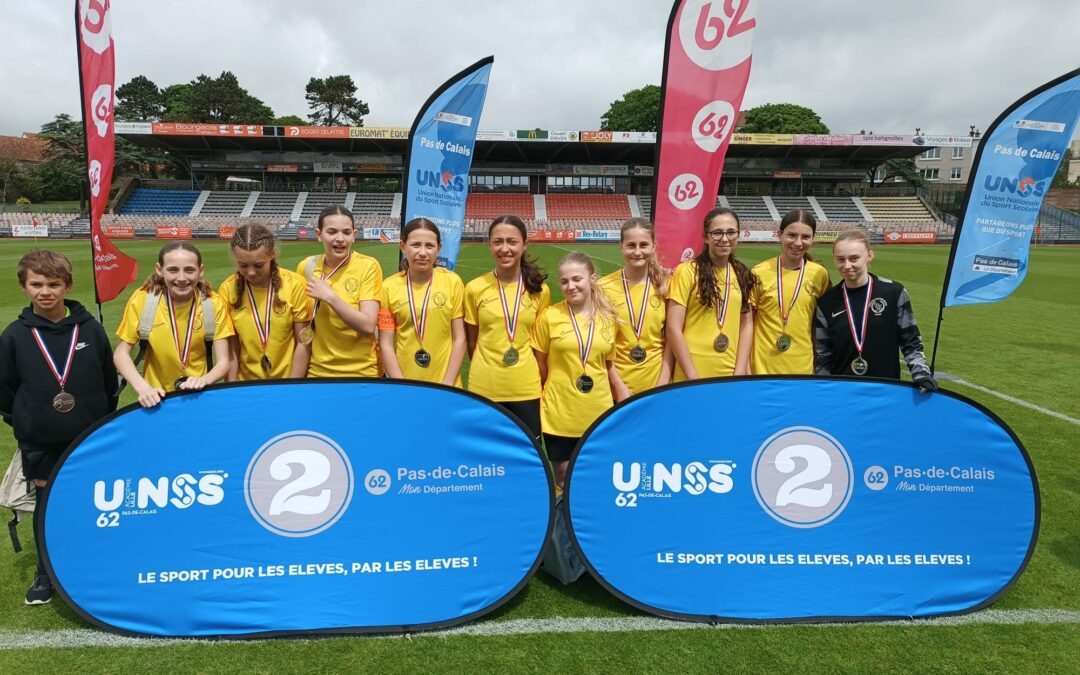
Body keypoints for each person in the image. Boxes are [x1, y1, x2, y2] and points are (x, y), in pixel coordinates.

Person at [0, 250, 119, 604]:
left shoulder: (90, 329)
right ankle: (46, 571)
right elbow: (5, 391)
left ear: (67, 285)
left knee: (91, 501)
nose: (45, 291)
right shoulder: (14, 336)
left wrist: (95, 416)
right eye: (36, 284)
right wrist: (27, 421)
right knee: (47, 503)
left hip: (89, 438)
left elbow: (108, 382)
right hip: (41, 441)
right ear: (24, 286)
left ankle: (92, 564)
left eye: (53, 284)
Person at [533, 253, 630, 487]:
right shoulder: (549, 317)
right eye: (564, 281)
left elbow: (607, 365)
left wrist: (623, 393)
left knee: (596, 479)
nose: (570, 286)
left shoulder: (608, 318)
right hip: (559, 413)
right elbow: (540, 366)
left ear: (592, 278)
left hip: (598, 412)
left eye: (577, 279)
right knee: (564, 479)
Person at [814, 230, 937, 392]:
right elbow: (823, 354)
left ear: (869, 256)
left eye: (854, 258)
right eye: (840, 259)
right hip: (841, 391)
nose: (847, 265)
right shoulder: (826, 301)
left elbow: (911, 341)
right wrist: (824, 386)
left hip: (886, 388)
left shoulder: (894, 292)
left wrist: (921, 374)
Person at [114, 242, 234, 408]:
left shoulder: (213, 303)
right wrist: (143, 388)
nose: (182, 278)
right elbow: (121, 353)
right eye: (173, 270)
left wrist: (203, 380)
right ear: (159, 269)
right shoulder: (143, 300)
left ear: (201, 270)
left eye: (189, 270)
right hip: (156, 399)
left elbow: (224, 362)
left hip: (199, 396)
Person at [464, 215, 551, 440]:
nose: (505, 248)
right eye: (498, 241)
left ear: (524, 244)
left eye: (512, 241)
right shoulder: (474, 288)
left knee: (528, 457)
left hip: (526, 387)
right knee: (485, 459)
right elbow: (472, 343)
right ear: (490, 244)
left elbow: (540, 347)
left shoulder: (540, 290)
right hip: (484, 386)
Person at [667, 208, 756, 380]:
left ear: (738, 235)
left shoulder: (743, 274)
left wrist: (739, 373)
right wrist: (692, 376)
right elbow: (673, 328)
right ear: (706, 237)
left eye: (731, 232)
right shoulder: (687, 271)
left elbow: (746, 325)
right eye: (717, 233)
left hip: (729, 375)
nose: (724, 239)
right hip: (691, 374)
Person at [295, 205, 383, 378]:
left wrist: (329, 297)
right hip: (318, 372)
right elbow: (305, 329)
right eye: (332, 232)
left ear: (354, 235)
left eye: (346, 232)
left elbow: (367, 325)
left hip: (364, 372)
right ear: (319, 234)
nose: (340, 238)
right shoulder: (306, 268)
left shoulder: (368, 266)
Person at [219, 224, 313, 380]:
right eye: (243, 265)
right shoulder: (228, 289)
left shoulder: (295, 284)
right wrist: (232, 389)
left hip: (288, 380)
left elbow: (303, 342)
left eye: (258, 265)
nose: (250, 272)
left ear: (272, 254)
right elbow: (232, 348)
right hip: (247, 385)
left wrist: (293, 385)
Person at [378, 218, 466, 385]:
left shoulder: (453, 282)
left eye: (430, 246)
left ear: (439, 248)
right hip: (406, 384)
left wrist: (448, 384)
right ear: (403, 246)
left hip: (447, 386)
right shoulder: (389, 287)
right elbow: (386, 343)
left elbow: (459, 339)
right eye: (416, 245)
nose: (423, 252)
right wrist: (401, 385)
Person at [750, 209, 832, 375]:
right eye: (792, 235)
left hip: (803, 369)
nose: (798, 242)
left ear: (813, 239)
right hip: (761, 369)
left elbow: (822, 325)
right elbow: (746, 325)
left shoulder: (819, 274)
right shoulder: (758, 272)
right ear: (779, 234)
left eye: (806, 237)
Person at [599, 218, 672, 394]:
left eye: (644, 245)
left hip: (657, 385)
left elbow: (671, 340)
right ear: (621, 246)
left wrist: (663, 383)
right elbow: (601, 345)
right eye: (631, 245)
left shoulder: (666, 285)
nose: (637, 252)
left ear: (654, 246)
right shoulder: (603, 287)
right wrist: (618, 387)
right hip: (617, 388)